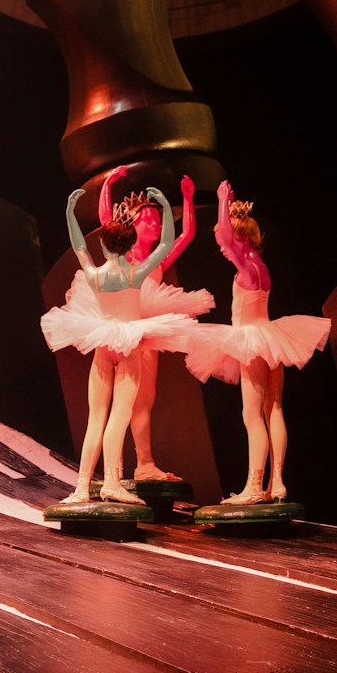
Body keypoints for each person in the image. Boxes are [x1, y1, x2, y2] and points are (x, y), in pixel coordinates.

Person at [40, 187, 211, 504]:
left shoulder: (93, 274)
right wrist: (163, 204)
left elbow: (78, 245)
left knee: (96, 418)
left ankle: (81, 487)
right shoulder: (137, 272)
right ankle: (112, 483)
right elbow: (164, 246)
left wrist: (69, 211)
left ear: (102, 243)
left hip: (104, 346)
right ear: (130, 242)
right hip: (129, 347)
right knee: (119, 415)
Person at [185, 182, 331, 504]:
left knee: (251, 415)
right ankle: (276, 482)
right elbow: (225, 239)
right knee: (274, 409)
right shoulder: (260, 267)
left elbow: (224, 237)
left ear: (241, 238)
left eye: (227, 242)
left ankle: (254, 486)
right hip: (271, 338)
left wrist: (223, 201)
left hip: (252, 340)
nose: (222, 248)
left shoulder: (246, 266)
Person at [97, 168, 197, 482]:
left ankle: (145, 462)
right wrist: (106, 186)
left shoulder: (157, 260)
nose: (154, 224)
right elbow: (105, 223)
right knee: (115, 403)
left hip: (147, 333)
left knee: (146, 397)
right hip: (121, 332)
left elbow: (185, 236)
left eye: (157, 220)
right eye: (148, 219)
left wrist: (188, 200)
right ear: (132, 222)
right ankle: (113, 470)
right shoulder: (125, 258)